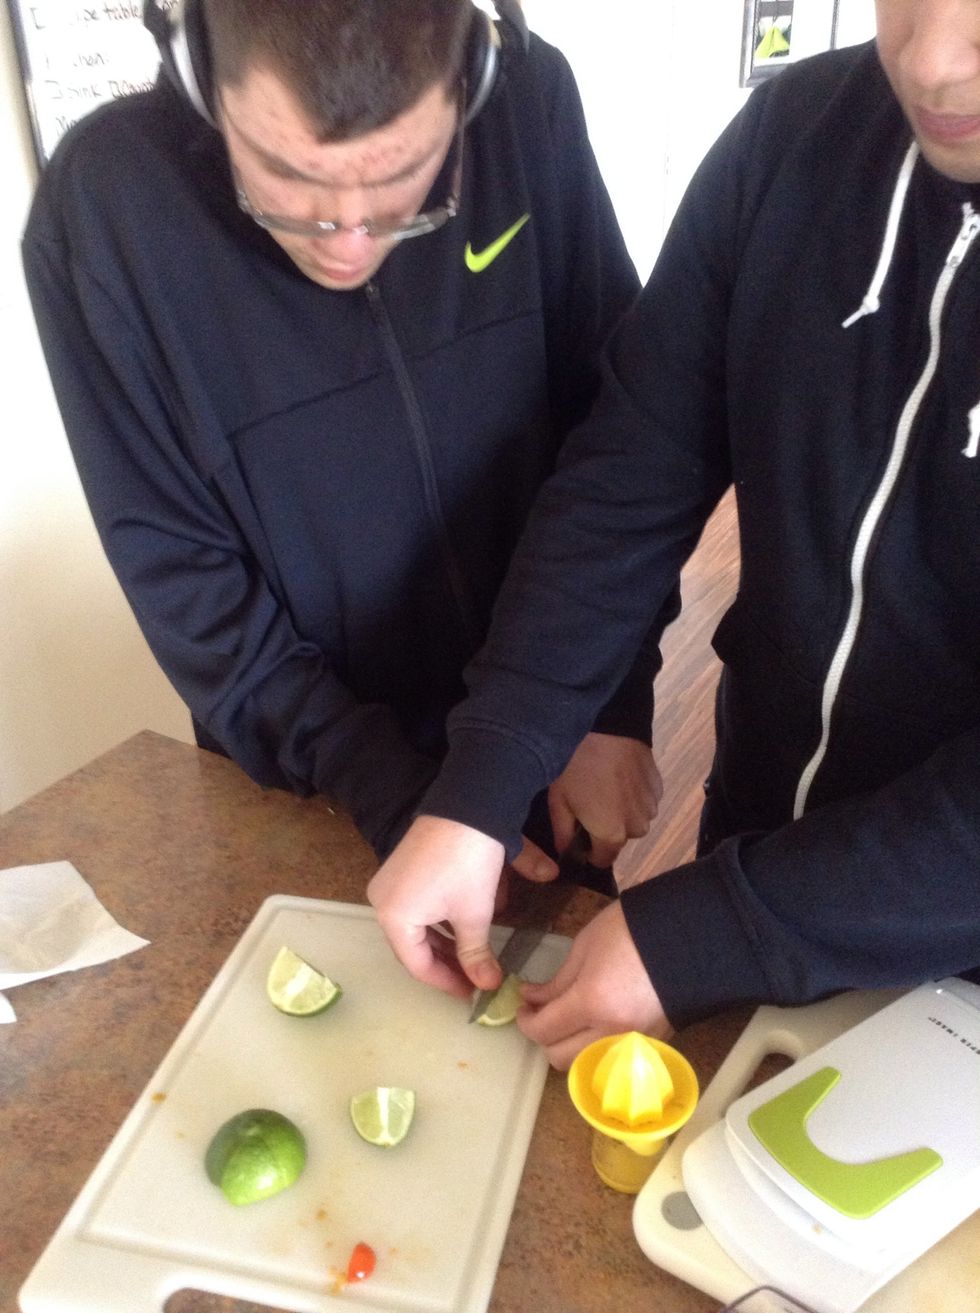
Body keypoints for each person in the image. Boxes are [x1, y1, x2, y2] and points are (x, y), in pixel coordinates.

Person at [367, 0, 980, 1069]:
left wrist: (709, 930)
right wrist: (486, 778)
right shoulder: (791, 135)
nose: (926, 62)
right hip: (762, 827)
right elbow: (632, 470)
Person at [22, 0, 665, 891]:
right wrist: (393, 794)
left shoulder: (527, 102)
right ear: (204, 81)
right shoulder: (102, 214)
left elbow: (624, 433)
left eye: (405, 183)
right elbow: (180, 573)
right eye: (290, 182)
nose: (351, 244)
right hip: (307, 785)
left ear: (468, 80)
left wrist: (608, 697)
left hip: (548, 742)